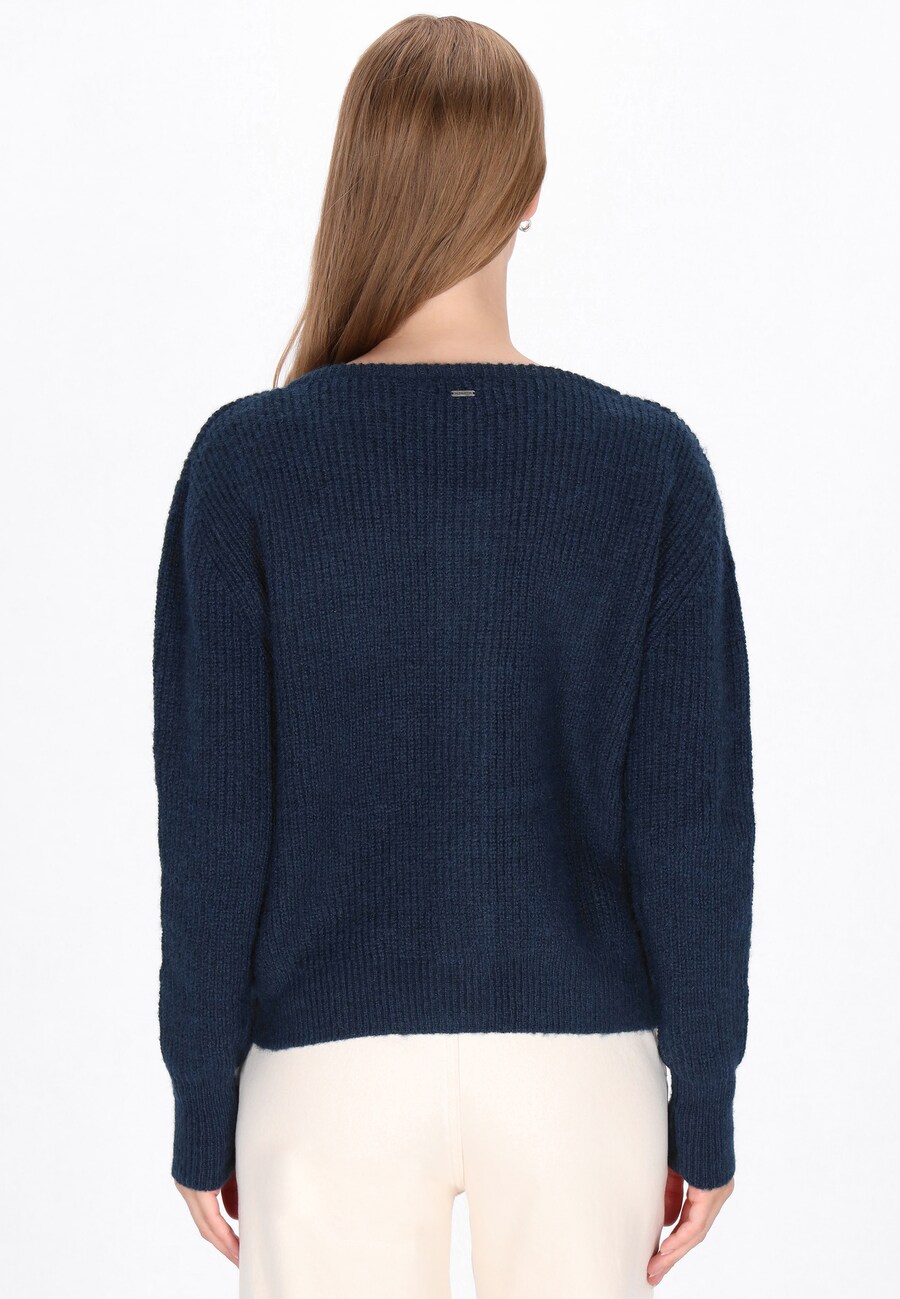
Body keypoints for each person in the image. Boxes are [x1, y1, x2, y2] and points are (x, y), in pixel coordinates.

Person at [152, 14, 755, 1297]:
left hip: (326, 1077)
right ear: (530, 191)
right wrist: (704, 1101)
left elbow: (214, 821)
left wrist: (203, 1098)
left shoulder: (249, 465)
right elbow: (693, 822)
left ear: (357, 179)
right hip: (581, 1074)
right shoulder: (646, 467)